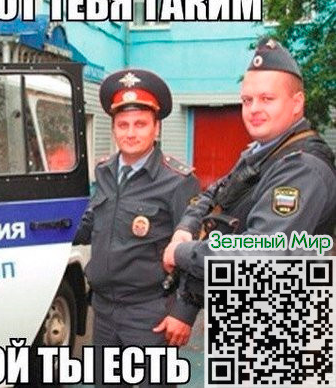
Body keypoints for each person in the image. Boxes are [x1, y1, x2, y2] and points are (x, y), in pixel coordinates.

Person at [162, 38, 336, 312]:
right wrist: (186, 229)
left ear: (296, 103)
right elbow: (214, 194)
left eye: (267, 99)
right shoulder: (262, 153)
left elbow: (260, 254)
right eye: (247, 100)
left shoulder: (302, 167)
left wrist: (181, 252)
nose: (254, 109)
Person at [73, 69, 201, 387]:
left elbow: (195, 254)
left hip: (149, 315)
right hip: (103, 311)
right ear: (114, 128)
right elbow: (89, 225)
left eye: (140, 124)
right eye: (123, 125)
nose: (130, 133)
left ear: (156, 128)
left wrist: (184, 313)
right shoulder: (104, 171)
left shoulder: (178, 181)